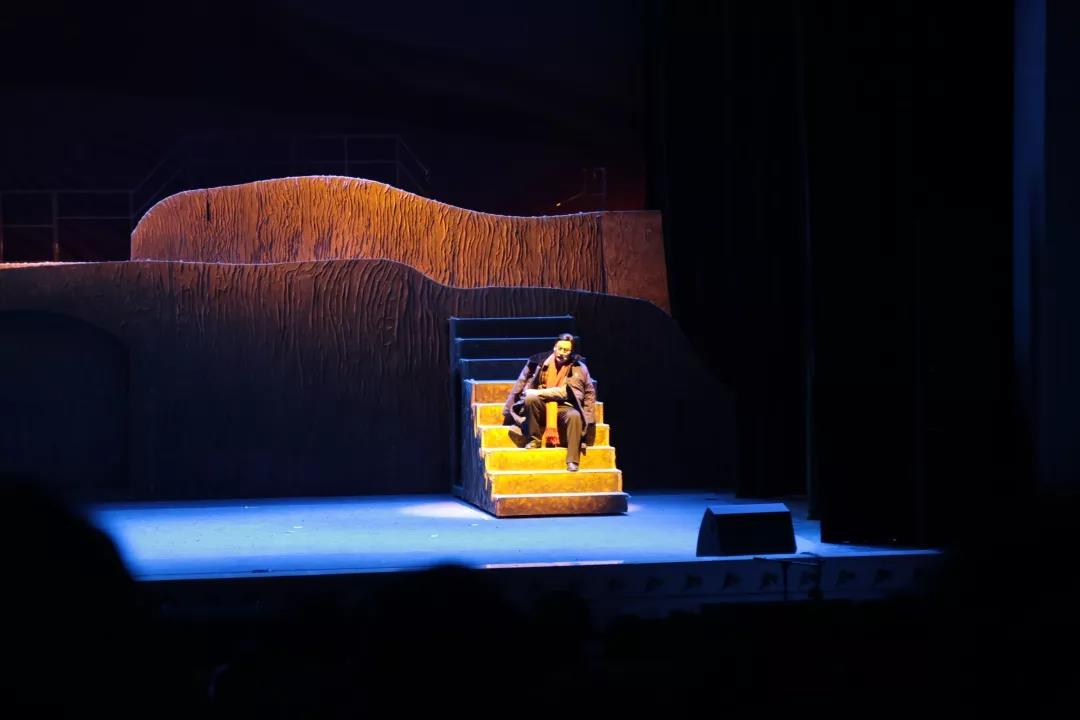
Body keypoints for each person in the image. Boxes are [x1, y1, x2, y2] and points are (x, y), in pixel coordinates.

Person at [503, 333, 596, 472]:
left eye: (566, 350)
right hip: (541, 406)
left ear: (571, 352)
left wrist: (589, 420)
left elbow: (581, 393)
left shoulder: (579, 368)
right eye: (560, 348)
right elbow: (520, 383)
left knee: (575, 415)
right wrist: (508, 410)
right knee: (530, 398)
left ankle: (572, 461)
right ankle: (534, 439)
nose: (562, 353)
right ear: (554, 347)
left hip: (565, 406)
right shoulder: (537, 362)